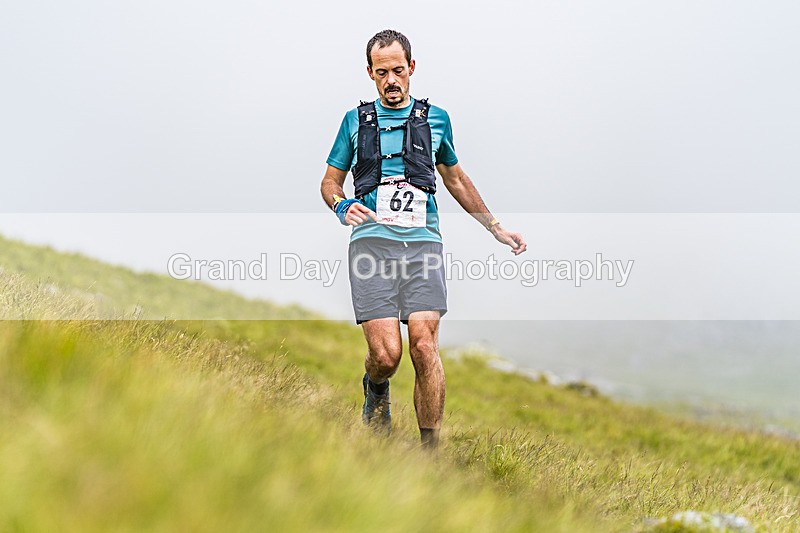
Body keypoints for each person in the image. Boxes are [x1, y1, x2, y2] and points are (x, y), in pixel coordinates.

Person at [320, 29, 526, 449]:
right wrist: (342, 206)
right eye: (382, 73)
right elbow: (329, 182)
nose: (391, 80)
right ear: (370, 74)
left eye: (398, 70)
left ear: (411, 69)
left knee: (424, 348)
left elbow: (455, 178)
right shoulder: (354, 121)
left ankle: (428, 454)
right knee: (386, 357)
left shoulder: (437, 119)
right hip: (371, 247)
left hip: (423, 246)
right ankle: (375, 389)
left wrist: (495, 227)